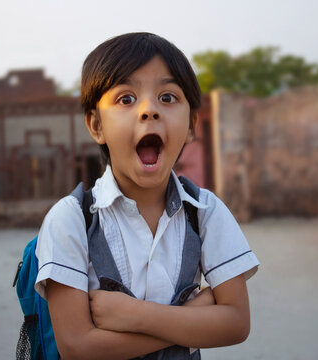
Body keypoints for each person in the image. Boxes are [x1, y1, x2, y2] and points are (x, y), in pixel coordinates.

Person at [34, 32, 260, 359]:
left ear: (193, 124)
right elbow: (77, 346)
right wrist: (195, 317)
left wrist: (134, 315)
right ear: (96, 125)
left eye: (167, 97)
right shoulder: (70, 219)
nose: (149, 110)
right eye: (126, 99)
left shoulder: (206, 211)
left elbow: (237, 323)